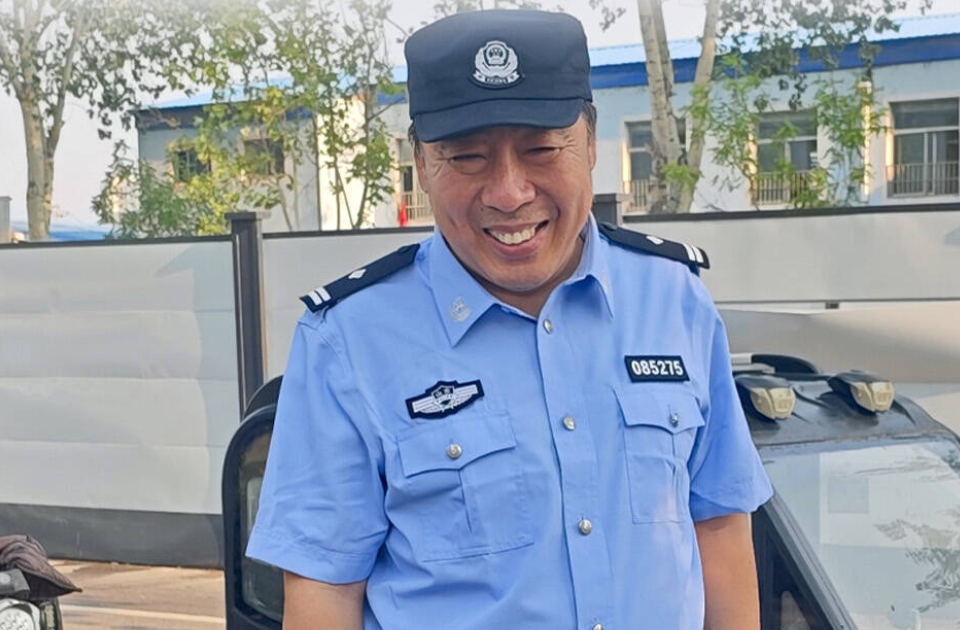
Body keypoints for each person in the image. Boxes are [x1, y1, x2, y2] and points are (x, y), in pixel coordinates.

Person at [247, 9, 773, 630]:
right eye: (467, 157)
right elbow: (324, 592)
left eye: (541, 149)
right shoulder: (348, 342)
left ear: (591, 144)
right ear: (421, 164)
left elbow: (719, 523)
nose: (509, 192)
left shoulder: (674, 301)